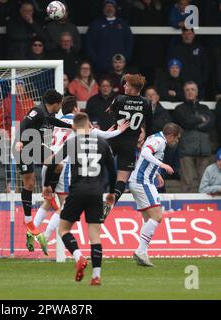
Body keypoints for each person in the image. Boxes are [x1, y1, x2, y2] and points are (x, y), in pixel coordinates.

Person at [32, 96, 129, 254]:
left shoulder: (59, 121)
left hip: (49, 163)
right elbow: (100, 136)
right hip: (63, 166)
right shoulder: (78, 120)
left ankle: (32, 230)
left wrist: (103, 132)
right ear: (76, 108)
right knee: (65, 204)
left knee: (49, 201)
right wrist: (119, 130)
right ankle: (45, 235)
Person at [43, 112, 117, 286]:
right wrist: (112, 192)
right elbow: (112, 172)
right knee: (95, 236)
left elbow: (54, 163)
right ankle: (96, 276)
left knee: (63, 229)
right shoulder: (103, 143)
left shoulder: (72, 142)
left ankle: (78, 256)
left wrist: (48, 186)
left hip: (77, 191)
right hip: (96, 192)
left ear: (74, 127)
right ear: (90, 124)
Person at [14, 89, 72, 248]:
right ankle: (28, 220)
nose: (60, 108)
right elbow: (24, 123)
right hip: (23, 147)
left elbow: (53, 121)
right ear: (56, 104)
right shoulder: (37, 110)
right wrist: (19, 141)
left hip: (36, 146)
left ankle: (49, 189)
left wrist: (71, 126)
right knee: (30, 183)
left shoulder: (47, 113)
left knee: (57, 164)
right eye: (60, 104)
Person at [128, 123, 181, 267]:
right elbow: (145, 153)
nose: (175, 142)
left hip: (141, 180)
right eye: (176, 139)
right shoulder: (159, 141)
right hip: (142, 182)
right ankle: (140, 251)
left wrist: (156, 173)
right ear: (170, 136)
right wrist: (163, 166)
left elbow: (143, 158)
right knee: (157, 216)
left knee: (148, 219)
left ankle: (142, 253)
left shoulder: (155, 137)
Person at [103, 74, 153, 218]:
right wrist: (142, 134)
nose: (124, 86)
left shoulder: (119, 99)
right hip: (130, 144)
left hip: (113, 140)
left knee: (97, 167)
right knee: (122, 180)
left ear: (132, 88)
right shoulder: (146, 103)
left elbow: (109, 112)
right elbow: (149, 127)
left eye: (126, 85)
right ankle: (109, 207)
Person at [173, 81, 214, 193]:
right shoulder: (179, 108)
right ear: (184, 92)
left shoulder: (205, 107)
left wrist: (193, 122)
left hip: (203, 149)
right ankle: (184, 208)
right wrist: (201, 119)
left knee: (205, 183)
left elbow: (211, 123)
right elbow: (186, 122)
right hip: (186, 149)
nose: (190, 92)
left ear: (197, 92)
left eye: (193, 89)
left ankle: (205, 208)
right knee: (187, 182)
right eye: (187, 90)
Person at [85, 0, 133, 75]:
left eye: (111, 6)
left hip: (119, 66)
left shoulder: (123, 24)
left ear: (115, 9)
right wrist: (95, 60)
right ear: (103, 9)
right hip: (101, 66)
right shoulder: (95, 24)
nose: (109, 8)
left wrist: (126, 58)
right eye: (107, 6)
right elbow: (89, 44)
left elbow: (129, 42)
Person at [129, 0, 165, 85]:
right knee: (142, 75)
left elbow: (161, 23)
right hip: (142, 49)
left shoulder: (158, 7)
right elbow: (134, 24)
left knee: (153, 76)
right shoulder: (135, 7)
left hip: (155, 49)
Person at [169, 28, 209, 98]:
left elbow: (206, 67)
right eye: (184, 34)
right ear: (182, 35)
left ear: (193, 35)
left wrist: (202, 81)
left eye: (189, 34)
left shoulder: (199, 48)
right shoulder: (176, 49)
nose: (187, 36)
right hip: (180, 87)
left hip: (198, 85)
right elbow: (172, 68)